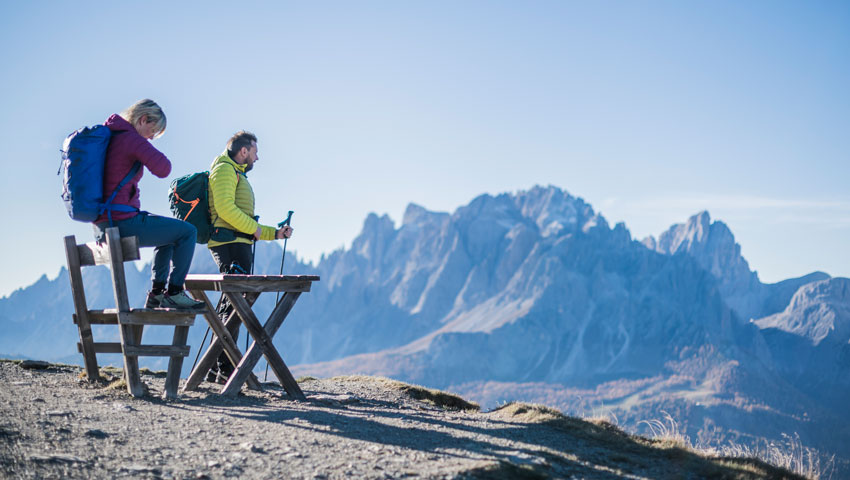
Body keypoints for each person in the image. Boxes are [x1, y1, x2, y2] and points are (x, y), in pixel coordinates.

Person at [93, 99, 205, 311]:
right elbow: (164, 168)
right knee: (188, 232)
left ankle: (157, 293)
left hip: (104, 224)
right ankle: (175, 292)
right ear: (143, 119)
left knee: (169, 234)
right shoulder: (130, 139)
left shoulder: (113, 137)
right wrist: (142, 146)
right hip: (121, 222)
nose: (152, 138)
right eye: (153, 131)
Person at [206, 131, 293, 383]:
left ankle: (216, 368)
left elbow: (242, 220)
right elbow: (225, 209)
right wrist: (255, 229)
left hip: (237, 243)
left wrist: (274, 233)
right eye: (255, 152)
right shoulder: (224, 170)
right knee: (234, 304)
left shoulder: (234, 172)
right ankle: (225, 368)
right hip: (229, 244)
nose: (257, 157)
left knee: (231, 304)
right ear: (243, 151)